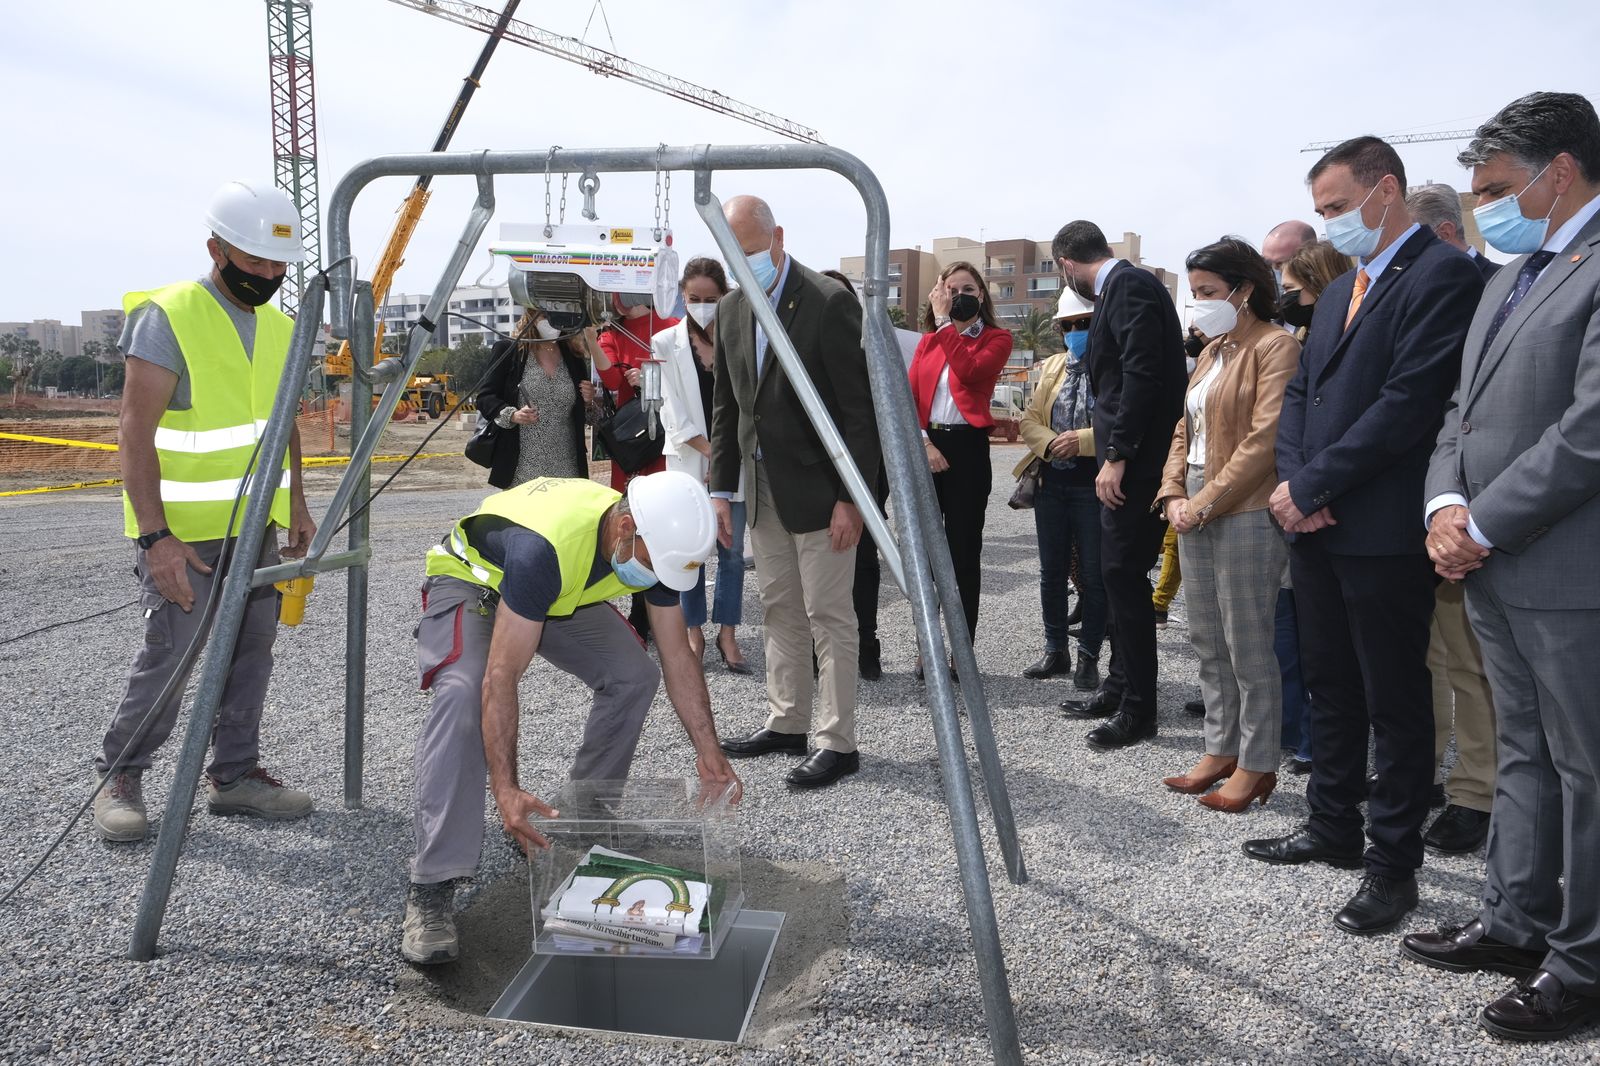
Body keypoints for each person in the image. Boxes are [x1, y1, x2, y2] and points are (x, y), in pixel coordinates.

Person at [1247, 136, 1484, 936]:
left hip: (1380, 527)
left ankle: (1392, 865)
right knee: (1331, 684)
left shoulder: (1442, 274)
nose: (1329, 225)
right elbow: (1302, 396)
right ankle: (1332, 824)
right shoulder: (1346, 285)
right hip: (1314, 524)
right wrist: (1294, 486)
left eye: (1339, 207)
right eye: (1321, 212)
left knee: (1395, 700)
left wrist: (1312, 486)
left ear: (1387, 192)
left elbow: (1409, 404)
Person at [1403, 91, 1600, 1043]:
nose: (1484, 208)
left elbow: (1590, 431)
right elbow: (1461, 413)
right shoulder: (1512, 277)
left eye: (1496, 188)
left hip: (1568, 570)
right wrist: (1445, 505)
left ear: (1559, 172)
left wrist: (1480, 521)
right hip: (1487, 561)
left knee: (1587, 767)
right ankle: (1516, 921)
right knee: (1523, 748)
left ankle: (1585, 962)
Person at [401, 472, 742, 964]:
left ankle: (582, 818)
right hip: (475, 580)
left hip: (551, 593)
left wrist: (710, 752)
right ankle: (432, 885)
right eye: (653, 564)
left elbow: (677, 655)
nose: (655, 575)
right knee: (463, 693)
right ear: (624, 527)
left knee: (633, 675)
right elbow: (501, 676)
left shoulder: (654, 541)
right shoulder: (543, 551)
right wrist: (506, 789)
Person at [92, 180, 318, 842]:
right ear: (216, 249)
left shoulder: (281, 327)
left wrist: (296, 501)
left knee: (251, 654)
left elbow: (282, 423)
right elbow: (134, 431)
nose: (268, 275)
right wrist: (155, 537)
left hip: (255, 527)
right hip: (182, 536)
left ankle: (235, 775)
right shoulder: (170, 316)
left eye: (279, 264)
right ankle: (120, 775)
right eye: (254, 261)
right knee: (172, 658)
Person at [710, 195, 881, 790]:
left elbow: (860, 413)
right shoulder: (732, 307)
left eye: (750, 252)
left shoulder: (827, 302)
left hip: (822, 491)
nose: (743, 265)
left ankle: (837, 741)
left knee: (828, 615)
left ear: (778, 238)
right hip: (761, 488)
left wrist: (853, 498)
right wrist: (721, 489)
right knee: (778, 607)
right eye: (732, 256)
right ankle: (787, 722)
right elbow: (727, 405)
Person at [1156, 238, 1300, 812]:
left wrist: (1203, 502)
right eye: (1194, 293)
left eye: (1208, 292)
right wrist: (1172, 492)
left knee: (1248, 644)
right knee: (1207, 638)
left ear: (1244, 289)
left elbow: (1264, 441)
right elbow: (1183, 430)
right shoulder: (1212, 351)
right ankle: (1220, 749)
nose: (1198, 304)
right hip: (1196, 503)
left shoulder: (1276, 346)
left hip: (1245, 509)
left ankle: (1257, 762)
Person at [1054, 221, 1188, 751]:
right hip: (1135, 460)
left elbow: (1141, 375)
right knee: (1117, 576)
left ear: (1067, 265)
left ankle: (1138, 708)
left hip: (1138, 464)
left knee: (1123, 577)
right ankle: (1118, 686)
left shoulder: (1127, 286)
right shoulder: (1126, 286)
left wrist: (1117, 454)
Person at [1405, 183, 1502, 854]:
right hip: (1417, 499)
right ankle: (1427, 775)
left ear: (1441, 235)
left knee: (1470, 662)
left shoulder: (1502, 288)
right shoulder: (1410, 289)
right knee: (1429, 657)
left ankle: (1477, 790)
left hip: (1475, 509)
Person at [909, 261, 1014, 671]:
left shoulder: (997, 338)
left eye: (967, 289)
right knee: (924, 555)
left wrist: (943, 324)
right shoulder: (928, 341)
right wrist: (924, 443)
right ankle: (927, 645)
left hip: (968, 449)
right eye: (950, 290)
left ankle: (961, 650)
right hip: (928, 445)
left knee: (963, 553)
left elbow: (969, 372)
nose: (959, 296)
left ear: (981, 294)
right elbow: (911, 396)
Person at [1273, 240, 1350, 776]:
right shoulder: (1303, 338)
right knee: (1296, 635)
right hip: (1296, 505)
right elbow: (1290, 421)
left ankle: (1322, 742)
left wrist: (1311, 492)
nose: (1287, 302)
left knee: (1333, 648)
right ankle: (1299, 731)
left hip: (1335, 506)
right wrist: (1295, 488)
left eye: (1294, 291)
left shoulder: (1341, 333)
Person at [653, 257, 751, 674]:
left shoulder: (741, 336)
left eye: (711, 298)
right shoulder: (664, 343)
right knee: (690, 553)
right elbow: (670, 410)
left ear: (725, 297)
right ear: (682, 296)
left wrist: (726, 458)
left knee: (732, 552)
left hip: (736, 461)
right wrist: (714, 453)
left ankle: (727, 632)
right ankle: (694, 631)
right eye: (694, 298)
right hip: (688, 460)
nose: (702, 306)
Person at [1017, 287, 1104, 691]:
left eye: (1083, 323)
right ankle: (1056, 650)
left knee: (1094, 575)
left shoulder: (1112, 365)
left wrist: (1081, 441)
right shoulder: (1053, 366)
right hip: (1051, 483)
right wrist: (1051, 443)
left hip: (1094, 486)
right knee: (1051, 572)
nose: (1075, 332)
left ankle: (1089, 656)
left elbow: (1122, 422)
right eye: (1067, 326)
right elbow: (1029, 419)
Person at [592, 291, 679, 642]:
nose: (618, 301)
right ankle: (639, 610)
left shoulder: (672, 326)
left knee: (662, 523)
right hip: (634, 444)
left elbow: (687, 378)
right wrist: (592, 339)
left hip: (666, 439)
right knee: (631, 522)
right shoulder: (612, 334)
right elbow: (612, 381)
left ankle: (661, 607)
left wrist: (652, 379)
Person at [821, 268, 890, 681]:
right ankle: (821, 647)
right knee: (818, 561)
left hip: (864, 469)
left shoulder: (871, 348)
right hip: (816, 470)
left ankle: (867, 644)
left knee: (863, 560)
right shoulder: (805, 347)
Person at [476, 308, 596, 489]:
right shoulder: (509, 350)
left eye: (557, 315)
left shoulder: (573, 355)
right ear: (530, 315)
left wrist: (587, 401)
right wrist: (513, 415)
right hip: (521, 468)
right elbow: (485, 398)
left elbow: (586, 415)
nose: (552, 321)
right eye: (545, 315)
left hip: (568, 467)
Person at [1406, 182, 1504, 281]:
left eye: (1412, 236)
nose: (1405, 246)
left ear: (1445, 233)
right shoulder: (1411, 282)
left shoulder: (1503, 281)